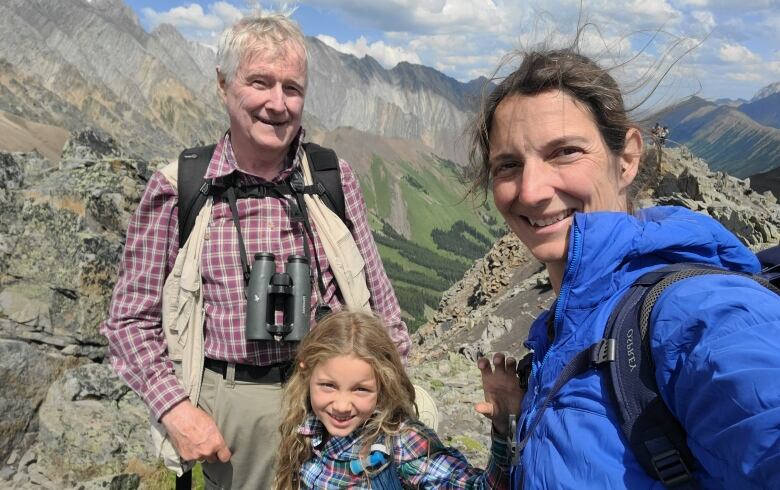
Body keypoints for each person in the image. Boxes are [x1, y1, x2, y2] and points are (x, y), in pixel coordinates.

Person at [100, 14, 410, 490]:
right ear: (223, 85)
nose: (277, 104)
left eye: (292, 88)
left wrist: (402, 391)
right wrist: (177, 411)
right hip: (234, 405)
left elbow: (378, 301)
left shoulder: (332, 178)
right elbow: (128, 321)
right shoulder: (179, 187)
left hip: (337, 397)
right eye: (260, 83)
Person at [467, 47, 780, 488]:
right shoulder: (566, 330)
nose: (532, 190)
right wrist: (512, 428)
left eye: (565, 152)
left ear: (628, 158)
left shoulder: (700, 314)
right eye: (509, 165)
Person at [273, 310, 521, 489]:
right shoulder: (306, 429)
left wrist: (504, 426)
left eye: (360, 390)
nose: (341, 405)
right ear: (306, 373)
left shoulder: (400, 442)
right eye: (328, 386)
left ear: (384, 384)